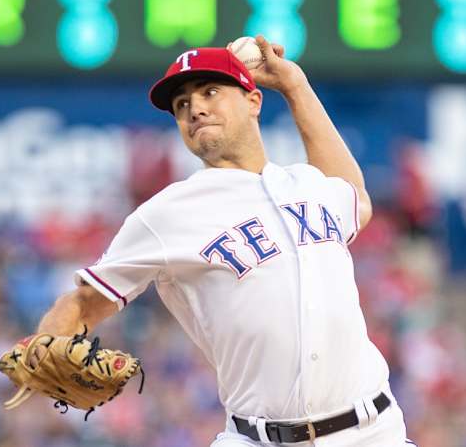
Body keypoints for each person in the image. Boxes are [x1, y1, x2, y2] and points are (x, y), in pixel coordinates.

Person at [34, 36, 414, 446]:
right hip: (257, 438)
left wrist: (295, 86)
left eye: (210, 92)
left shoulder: (308, 184)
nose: (195, 108)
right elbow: (84, 300)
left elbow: (355, 199)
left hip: (373, 431)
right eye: (181, 105)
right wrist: (47, 345)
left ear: (253, 101)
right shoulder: (167, 213)